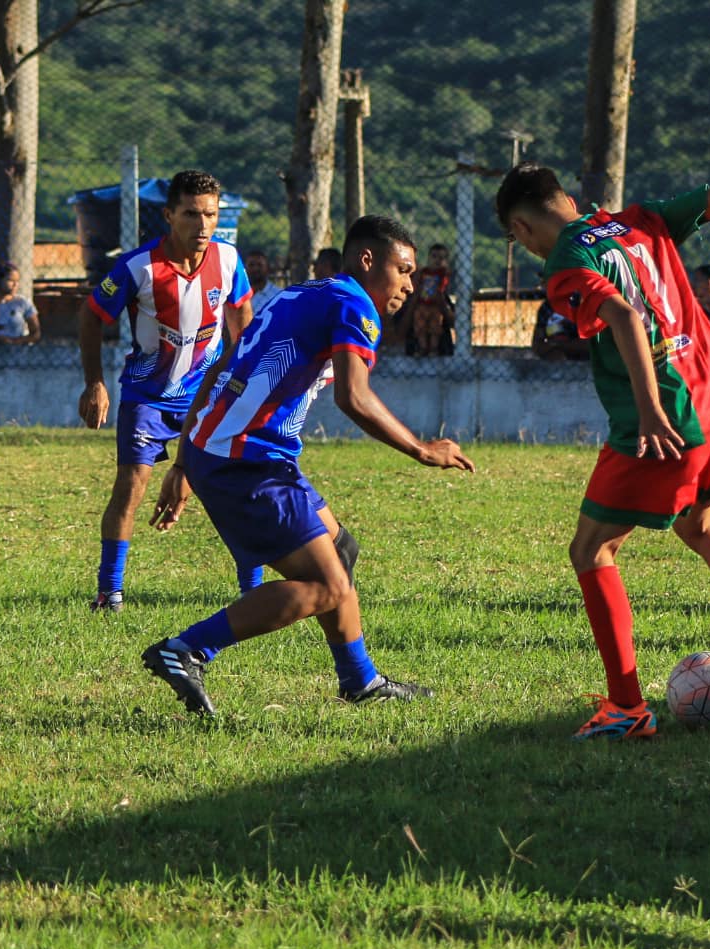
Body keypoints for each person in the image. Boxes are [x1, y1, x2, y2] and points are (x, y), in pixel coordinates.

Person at [494, 162, 710, 739]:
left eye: (515, 238)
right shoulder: (638, 221)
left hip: (669, 414)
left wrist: (649, 408)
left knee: (592, 549)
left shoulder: (567, 262)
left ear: (521, 229)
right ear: (567, 198)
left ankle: (626, 707)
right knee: (697, 525)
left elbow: (624, 316)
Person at [140, 214, 475, 714]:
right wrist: (423, 450)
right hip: (245, 461)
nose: (410, 284)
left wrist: (185, 462)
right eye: (403, 270)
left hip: (243, 453)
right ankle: (187, 650)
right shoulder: (352, 303)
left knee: (341, 550)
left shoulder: (305, 293)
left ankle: (360, 680)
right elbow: (353, 397)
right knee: (326, 585)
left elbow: (225, 366)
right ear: (368, 260)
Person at [78, 169, 254, 612]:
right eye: (191, 214)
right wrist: (95, 382)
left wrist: (242, 390)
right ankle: (110, 592)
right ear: (169, 216)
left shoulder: (228, 260)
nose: (203, 225)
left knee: (238, 486)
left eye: (210, 214)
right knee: (131, 485)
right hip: (149, 396)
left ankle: (253, 591)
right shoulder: (138, 267)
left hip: (208, 396)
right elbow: (91, 315)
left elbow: (243, 326)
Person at [410, 243, 453, 356]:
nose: (437, 260)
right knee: (420, 326)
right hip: (422, 304)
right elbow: (417, 283)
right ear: (429, 258)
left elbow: (444, 285)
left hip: (435, 305)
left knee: (435, 327)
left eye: (441, 258)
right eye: (434, 256)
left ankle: (433, 349)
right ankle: (422, 348)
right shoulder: (424, 272)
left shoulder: (442, 273)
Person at [244, 248, 285, 315]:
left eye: (260, 265)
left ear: (267, 268)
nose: (255, 269)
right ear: (244, 268)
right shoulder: (239, 294)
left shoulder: (278, 295)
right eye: (251, 265)